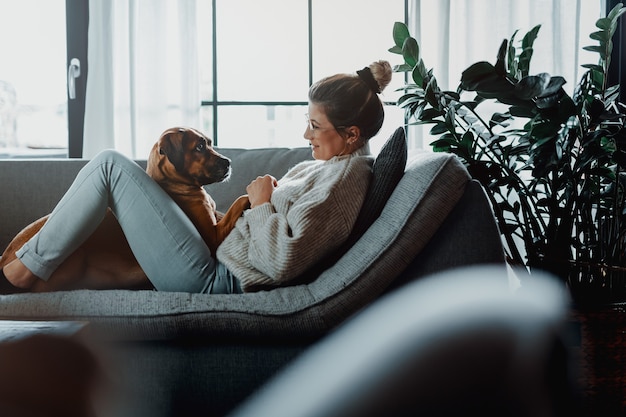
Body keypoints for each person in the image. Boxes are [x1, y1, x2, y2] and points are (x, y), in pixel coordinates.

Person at [2, 60, 393, 294]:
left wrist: (259, 205)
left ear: (351, 134)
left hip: (214, 278)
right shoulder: (333, 167)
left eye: (314, 125)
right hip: (213, 261)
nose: (305, 135)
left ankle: (24, 267)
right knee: (111, 170)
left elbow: (282, 261)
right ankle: (33, 263)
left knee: (109, 165)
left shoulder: (343, 184)